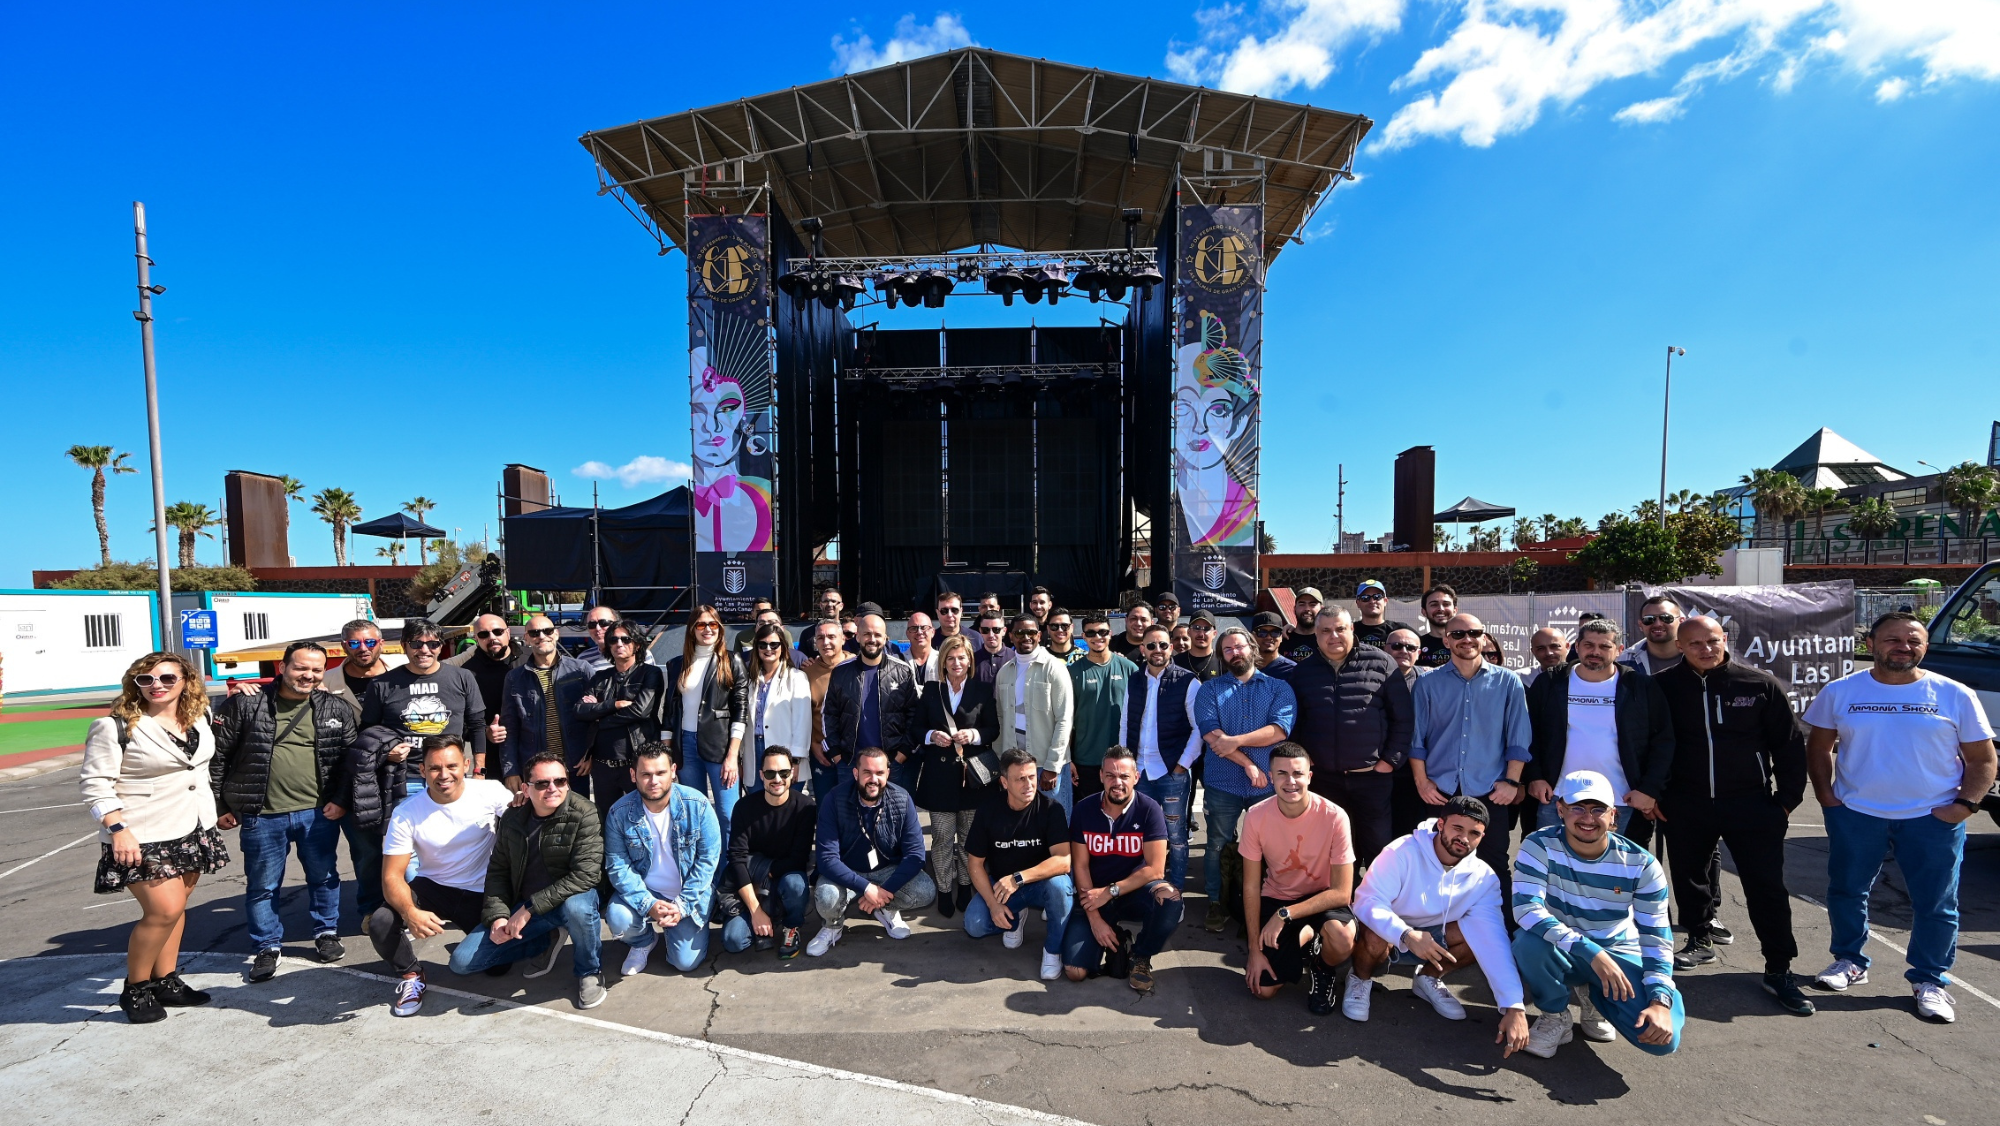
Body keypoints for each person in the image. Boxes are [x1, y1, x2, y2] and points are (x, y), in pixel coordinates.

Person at [1804, 612, 1997, 1024]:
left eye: (1914, 641)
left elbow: (1983, 759)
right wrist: (1827, 796)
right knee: (1846, 890)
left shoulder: (1955, 694)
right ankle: (1849, 961)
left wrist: (1964, 806)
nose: (1903, 647)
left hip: (1932, 818)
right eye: (1893, 639)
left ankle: (1930, 980)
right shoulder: (1840, 692)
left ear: (1925, 647)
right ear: (1870, 642)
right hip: (1857, 813)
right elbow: (1819, 747)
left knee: (1936, 904)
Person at [1653, 616, 1814, 1013]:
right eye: (1695, 644)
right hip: (1686, 803)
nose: (1706, 649)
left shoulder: (1759, 685)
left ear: (1724, 639)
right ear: (1680, 646)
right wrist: (1657, 794)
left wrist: (1785, 802)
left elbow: (1790, 746)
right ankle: (1700, 937)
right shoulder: (1663, 687)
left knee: (1767, 888)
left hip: (1752, 804)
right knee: (1689, 877)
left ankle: (1779, 967)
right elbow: (1650, 744)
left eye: (1712, 641)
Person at [82, 652, 229, 1024]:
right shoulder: (115, 726)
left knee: (177, 908)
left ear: (186, 682)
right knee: (162, 910)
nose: (157, 686)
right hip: (143, 833)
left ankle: (166, 980)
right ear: (136, 684)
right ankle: (135, 988)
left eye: (166, 678)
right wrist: (118, 830)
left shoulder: (199, 718)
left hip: (193, 825)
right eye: (146, 680)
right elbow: (96, 784)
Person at [1512, 770, 1684, 1059]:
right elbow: (1526, 908)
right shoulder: (1538, 844)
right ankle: (1556, 1015)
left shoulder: (1641, 864)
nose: (1587, 818)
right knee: (1528, 944)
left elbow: (1656, 936)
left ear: (1613, 814)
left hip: (1617, 950)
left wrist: (1660, 1001)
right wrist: (1591, 952)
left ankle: (1593, 995)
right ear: (1560, 810)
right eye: (1577, 807)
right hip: (1567, 949)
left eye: (1598, 809)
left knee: (1662, 1040)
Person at [210, 641, 355, 983]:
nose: (308, 675)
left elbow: (352, 760)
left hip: (318, 813)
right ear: (283, 667)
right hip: (262, 815)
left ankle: (326, 932)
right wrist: (220, 806)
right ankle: (267, 946)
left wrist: (342, 799)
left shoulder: (335, 707)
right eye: (300, 668)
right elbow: (217, 757)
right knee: (263, 885)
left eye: (316, 670)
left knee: (324, 876)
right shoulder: (245, 704)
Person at [1350, 796, 1529, 1054]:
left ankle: (1428, 978)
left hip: (1434, 936)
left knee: (1478, 937)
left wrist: (1515, 1007)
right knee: (1376, 931)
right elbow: (1367, 901)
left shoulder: (1484, 878)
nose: (1464, 838)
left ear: (1482, 836)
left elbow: (1494, 940)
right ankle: (1360, 978)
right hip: (1392, 930)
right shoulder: (1401, 852)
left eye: (1473, 833)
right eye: (1457, 828)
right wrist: (1406, 934)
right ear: (1441, 824)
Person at [370, 735, 514, 1017]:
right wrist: (410, 912)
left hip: (483, 891)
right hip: (433, 887)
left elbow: (527, 820)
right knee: (382, 921)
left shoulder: (491, 791)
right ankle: (412, 977)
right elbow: (391, 877)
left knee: (498, 967)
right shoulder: (406, 812)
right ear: (422, 771)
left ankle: (478, 938)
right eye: (434, 768)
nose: (444, 774)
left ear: (467, 765)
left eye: (451, 766)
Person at [450, 752, 607, 1009]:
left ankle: (589, 971)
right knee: (463, 962)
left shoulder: (584, 813)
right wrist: (498, 916)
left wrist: (528, 909)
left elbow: (586, 875)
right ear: (526, 788)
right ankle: (547, 939)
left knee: (578, 908)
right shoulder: (513, 817)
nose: (553, 788)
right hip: (530, 909)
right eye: (542, 783)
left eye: (560, 781)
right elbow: (498, 870)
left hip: (568, 899)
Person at [1408, 612, 1530, 912]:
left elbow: (1519, 738)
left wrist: (1512, 782)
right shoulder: (1427, 684)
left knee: (1494, 863)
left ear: (1484, 637)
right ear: (1446, 640)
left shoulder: (1508, 682)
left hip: (1491, 791)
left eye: (1474, 633)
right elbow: (1416, 740)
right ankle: (1435, 927)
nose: (1468, 639)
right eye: (1459, 634)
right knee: (1434, 863)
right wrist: (1421, 782)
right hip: (1439, 790)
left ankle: (1502, 930)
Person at [1284, 607, 1414, 868]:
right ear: (1316, 636)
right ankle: (1341, 903)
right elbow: (1297, 725)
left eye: (1340, 629)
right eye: (1325, 631)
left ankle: (1377, 903)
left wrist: (1389, 761)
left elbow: (1404, 718)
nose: (1334, 636)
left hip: (1372, 778)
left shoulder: (1382, 663)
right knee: (1335, 848)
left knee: (1378, 846)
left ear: (1352, 629)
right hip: (1325, 779)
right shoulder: (1303, 672)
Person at [1523, 617, 1672, 834]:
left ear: (1619, 650)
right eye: (1589, 645)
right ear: (1576, 647)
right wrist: (1534, 776)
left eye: (1605, 646)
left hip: (1621, 800)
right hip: (1559, 798)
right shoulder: (1550, 682)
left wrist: (1649, 789)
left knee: (1614, 867)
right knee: (1551, 865)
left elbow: (1663, 741)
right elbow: (1529, 733)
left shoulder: (1640, 686)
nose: (1595, 652)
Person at [1194, 627, 1299, 932]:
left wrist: (1236, 742)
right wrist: (1249, 765)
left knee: (1270, 846)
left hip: (1267, 785)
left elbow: (1278, 731)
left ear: (1252, 648)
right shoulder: (1209, 690)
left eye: (1239, 647)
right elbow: (1213, 736)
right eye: (1227, 649)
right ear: (1221, 655)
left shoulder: (1278, 688)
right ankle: (1217, 901)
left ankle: (1267, 902)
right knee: (1217, 844)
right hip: (1223, 782)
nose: (1234, 653)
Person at [1238, 744, 1357, 1010]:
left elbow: (1341, 893)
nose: (1290, 781)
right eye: (1281, 773)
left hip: (1323, 898)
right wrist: (1254, 952)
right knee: (1263, 991)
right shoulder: (1256, 816)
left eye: (1298, 774)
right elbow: (1250, 885)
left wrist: (1285, 915)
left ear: (1309, 777)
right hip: (1278, 895)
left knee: (1341, 937)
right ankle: (1307, 939)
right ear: (1270, 777)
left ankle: (1323, 966)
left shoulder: (1335, 817)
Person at [1061, 746, 1184, 993]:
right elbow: (1081, 866)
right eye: (1110, 775)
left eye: (1124, 776)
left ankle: (1140, 956)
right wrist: (1095, 919)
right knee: (1075, 973)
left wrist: (1111, 891)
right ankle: (1114, 935)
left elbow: (1155, 870)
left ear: (1136, 778)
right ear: (1101, 776)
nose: (1117, 782)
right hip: (1093, 897)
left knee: (1170, 898)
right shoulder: (1084, 810)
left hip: (1133, 891)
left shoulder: (1150, 809)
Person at [603, 743, 721, 977]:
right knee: (617, 917)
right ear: (633, 775)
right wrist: (648, 904)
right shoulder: (619, 813)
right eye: (645, 774)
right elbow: (618, 867)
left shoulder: (697, 805)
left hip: (687, 894)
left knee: (685, 963)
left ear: (673, 770)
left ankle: (678, 928)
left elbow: (708, 861)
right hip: (646, 892)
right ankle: (643, 941)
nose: (653, 781)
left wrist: (682, 905)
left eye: (660, 773)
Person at [808, 747, 936, 954]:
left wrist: (885, 891)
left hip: (887, 870)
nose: (873, 779)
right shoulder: (834, 799)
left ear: (888, 773)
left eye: (879, 773)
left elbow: (915, 856)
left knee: (925, 890)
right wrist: (868, 889)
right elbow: (826, 859)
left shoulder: (902, 799)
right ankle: (833, 925)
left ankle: (887, 908)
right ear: (856, 773)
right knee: (826, 897)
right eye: (867, 772)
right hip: (847, 871)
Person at [965, 748, 1076, 979]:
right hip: (1001, 886)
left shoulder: (1051, 809)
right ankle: (1014, 917)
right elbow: (975, 864)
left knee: (1060, 887)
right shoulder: (988, 810)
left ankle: (1052, 950)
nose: (1029, 785)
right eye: (1020, 779)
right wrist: (993, 905)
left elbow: (1064, 861)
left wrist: (1019, 878)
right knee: (974, 925)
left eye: (1032, 777)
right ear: (1004, 782)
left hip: (1039, 884)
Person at [912, 633, 1002, 917]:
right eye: (950, 658)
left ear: (969, 660)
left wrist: (973, 734)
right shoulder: (931, 690)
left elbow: (993, 730)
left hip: (973, 778)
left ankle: (965, 885)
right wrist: (931, 735)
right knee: (940, 837)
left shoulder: (983, 690)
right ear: (943, 662)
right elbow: (915, 729)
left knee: (968, 838)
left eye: (961, 657)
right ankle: (943, 888)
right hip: (939, 778)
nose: (956, 663)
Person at [358, 617, 488, 788]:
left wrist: (479, 770)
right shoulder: (381, 684)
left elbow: (477, 724)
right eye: (416, 644)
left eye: (433, 644)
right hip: (404, 778)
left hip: (451, 775)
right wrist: (386, 751)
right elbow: (368, 731)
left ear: (441, 646)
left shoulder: (463, 677)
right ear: (404, 645)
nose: (425, 650)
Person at [1125, 623, 1201, 893]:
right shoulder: (1134, 679)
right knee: (1140, 834)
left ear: (1171, 647)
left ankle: (1176, 893)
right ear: (1142, 648)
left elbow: (1198, 728)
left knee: (1176, 837)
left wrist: (1182, 765)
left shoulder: (1188, 681)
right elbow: (1126, 723)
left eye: (1163, 645)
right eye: (1151, 645)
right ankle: (1145, 891)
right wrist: (1127, 764)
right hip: (1140, 772)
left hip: (1171, 773)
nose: (1158, 650)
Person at [722, 747, 818, 957]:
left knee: (796, 884)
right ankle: (764, 916)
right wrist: (756, 911)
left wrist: (767, 874)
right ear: (761, 775)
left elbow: (799, 858)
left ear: (792, 773)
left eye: (783, 773)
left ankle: (790, 925)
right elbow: (736, 859)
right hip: (751, 883)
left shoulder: (806, 807)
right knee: (733, 941)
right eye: (770, 773)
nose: (777, 779)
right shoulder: (744, 807)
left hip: (782, 877)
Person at [664, 604, 749, 823]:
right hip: (686, 745)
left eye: (713, 624)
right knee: (694, 813)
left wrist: (732, 755)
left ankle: (729, 859)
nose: (707, 629)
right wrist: (667, 753)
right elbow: (670, 712)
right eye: (701, 624)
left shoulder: (732, 661)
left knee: (728, 814)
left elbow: (741, 710)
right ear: (692, 629)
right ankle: (701, 858)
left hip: (720, 746)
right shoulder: (676, 664)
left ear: (720, 628)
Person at [576, 619, 666, 819]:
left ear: (637, 644)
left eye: (626, 639)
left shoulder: (650, 673)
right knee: (607, 821)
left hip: (637, 762)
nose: (619, 644)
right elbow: (580, 710)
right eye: (614, 640)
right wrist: (612, 705)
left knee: (646, 818)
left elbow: (640, 711)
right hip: (602, 766)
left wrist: (600, 719)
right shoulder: (600, 677)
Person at [824, 610, 920, 796]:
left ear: (885, 638)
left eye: (877, 634)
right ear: (858, 636)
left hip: (891, 763)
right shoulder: (841, 672)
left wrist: (902, 754)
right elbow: (829, 715)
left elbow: (914, 715)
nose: (872, 639)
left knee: (892, 818)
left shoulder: (903, 671)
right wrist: (837, 754)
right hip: (851, 763)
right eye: (867, 634)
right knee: (849, 818)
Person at [496, 614, 593, 794]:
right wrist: (511, 770)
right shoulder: (515, 678)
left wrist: (591, 754)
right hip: (537, 770)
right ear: (526, 638)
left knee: (579, 819)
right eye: (534, 632)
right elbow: (510, 727)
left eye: (547, 631)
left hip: (576, 767)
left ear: (556, 634)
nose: (541, 636)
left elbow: (596, 718)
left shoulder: (581, 670)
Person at [996, 613, 1078, 816]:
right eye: (1020, 632)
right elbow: (1000, 718)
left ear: (1039, 635)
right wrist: (1002, 763)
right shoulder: (1004, 672)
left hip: (1047, 766)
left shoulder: (1054, 669)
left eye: (1031, 632)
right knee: (1022, 827)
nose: (1026, 637)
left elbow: (1064, 720)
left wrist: (1052, 766)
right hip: (1015, 767)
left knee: (1057, 826)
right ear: (1011, 637)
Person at [1069, 613, 1136, 801]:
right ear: (1083, 637)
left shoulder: (1129, 668)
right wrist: (1068, 758)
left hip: (1121, 758)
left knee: (1122, 815)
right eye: (1091, 633)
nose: (1097, 637)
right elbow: (1066, 719)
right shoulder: (1072, 672)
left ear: (1110, 634)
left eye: (1102, 632)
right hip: (1086, 758)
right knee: (1089, 815)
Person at [449, 613, 524, 773]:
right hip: (493, 759)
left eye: (498, 632)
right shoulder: (466, 674)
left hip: (534, 753)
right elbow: (458, 720)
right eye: (484, 634)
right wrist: (485, 733)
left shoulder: (529, 660)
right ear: (476, 638)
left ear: (508, 633)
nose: (492, 638)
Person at [745, 620, 813, 795]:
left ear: (783, 647)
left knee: (785, 807)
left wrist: (795, 761)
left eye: (774, 644)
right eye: (763, 644)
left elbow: (802, 722)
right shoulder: (749, 678)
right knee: (758, 806)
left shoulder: (797, 677)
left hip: (787, 752)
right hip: (753, 750)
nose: (768, 649)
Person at [803, 617, 853, 797]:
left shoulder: (857, 666)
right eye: (820, 638)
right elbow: (803, 715)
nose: (826, 642)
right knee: (825, 807)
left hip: (853, 754)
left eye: (831, 637)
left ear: (843, 638)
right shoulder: (806, 673)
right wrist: (812, 744)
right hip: (822, 754)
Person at [323, 618, 390, 712]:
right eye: (354, 644)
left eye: (370, 642)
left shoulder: (405, 670)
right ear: (344, 647)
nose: (363, 648)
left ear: (381, 644)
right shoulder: (326, 682)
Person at [579, 604, 656, 672]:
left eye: (604, 623)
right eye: (592, 625)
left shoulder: (641, 654)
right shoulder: (583, 659)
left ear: (617, 624)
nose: (598, 628)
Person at [1620, 596, 1686, 676]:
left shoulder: (1698, 656)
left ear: (1681, 621)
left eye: (1666, 618)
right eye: (1649, 619)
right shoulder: (1623, 661)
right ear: (1640, 625)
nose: (1658, 624)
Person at [1351, 580, 1415, 650]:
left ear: (1385, 601)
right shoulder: (1349, 631)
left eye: (1377, 596)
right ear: (1358, 603)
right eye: (1365, 598)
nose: (1372, 601)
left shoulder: (1399, 630)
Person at [1415, 585, 1459, 669]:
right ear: (1424, 611)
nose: (1441, 609)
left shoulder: (1465, 643)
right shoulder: (1415, 645)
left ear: (1455, 610)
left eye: (1446, 604)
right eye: (1434, 605)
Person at [1278, 587, 1323, 663]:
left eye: (1312, 604)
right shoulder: (1282, 639)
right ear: (1294, 609)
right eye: (1302, 604)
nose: (1307, 608)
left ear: (1321, 609)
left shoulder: (1327, 639)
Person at [1175, 610, 1223, 680]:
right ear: (1189, 632)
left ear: (1214, 634)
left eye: (1206, 629)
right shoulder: (1176, 662)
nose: (1201, 634)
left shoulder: (1222, 662)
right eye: (1196, 628)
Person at [1250, 611, 1297, 679]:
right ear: (1252, 636)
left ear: (1281, 637)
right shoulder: (1243, 666)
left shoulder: (1292, 670)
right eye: (1262, 632)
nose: (1269, 637)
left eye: (1275, 632)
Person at [972, 610, 1012, 684]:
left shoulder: (1014, 658)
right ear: (980, 631)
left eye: (996, 630)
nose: (991, 635)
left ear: (1004, 631)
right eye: (985, 630)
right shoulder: (972, 660)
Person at [904, 611, 941, 684]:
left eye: (924, 627)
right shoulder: (898, 662)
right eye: (914, 628)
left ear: (933, 632)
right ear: (907, 633)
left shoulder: (942, 660)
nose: (919, 632)